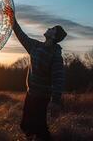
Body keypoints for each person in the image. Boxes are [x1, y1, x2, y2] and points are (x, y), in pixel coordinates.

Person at [9, 11, 67, 140]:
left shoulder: (55, 55)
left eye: (52, 29)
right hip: (31, 94)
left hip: (42, 96)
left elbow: (58, 78)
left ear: (54, 36)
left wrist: (56, 101)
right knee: (25, 125)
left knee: (40, 128)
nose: (48, 28)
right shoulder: (35, 46)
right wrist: (13, 20)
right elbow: (21, 36)